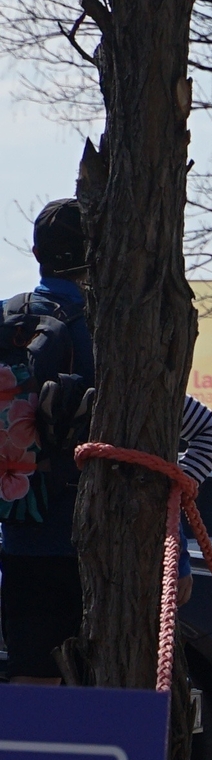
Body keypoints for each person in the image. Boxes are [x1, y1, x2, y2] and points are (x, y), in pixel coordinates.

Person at [1, 198, 97, 684]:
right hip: (90, 538)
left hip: (17, 533)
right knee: (96, 689)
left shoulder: (6, 317)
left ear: (36, 251)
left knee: (31, 683)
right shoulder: (97, 330)